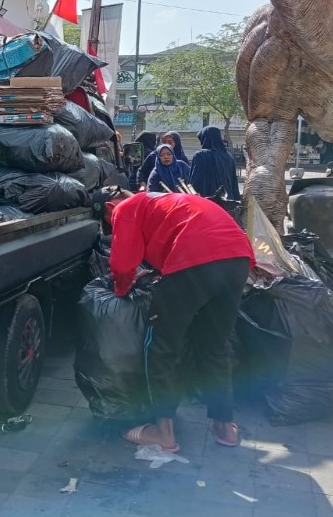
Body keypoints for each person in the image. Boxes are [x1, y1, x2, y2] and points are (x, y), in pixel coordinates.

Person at [96, 188, 255, 451]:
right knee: (216, 345)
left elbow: (122, 264)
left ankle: (163, 432)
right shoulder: (166, 200)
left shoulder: (124, 208)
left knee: (162, 346)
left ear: (109, 208)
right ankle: (225, 427)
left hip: (195, 262)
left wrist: (121, 290)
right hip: (237, 259)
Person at [190, 126, 241, 199]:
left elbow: (195, 181)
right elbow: (234, 182)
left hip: (207, 201)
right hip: (228, 201)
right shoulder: (229, 157)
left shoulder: (201, 155)